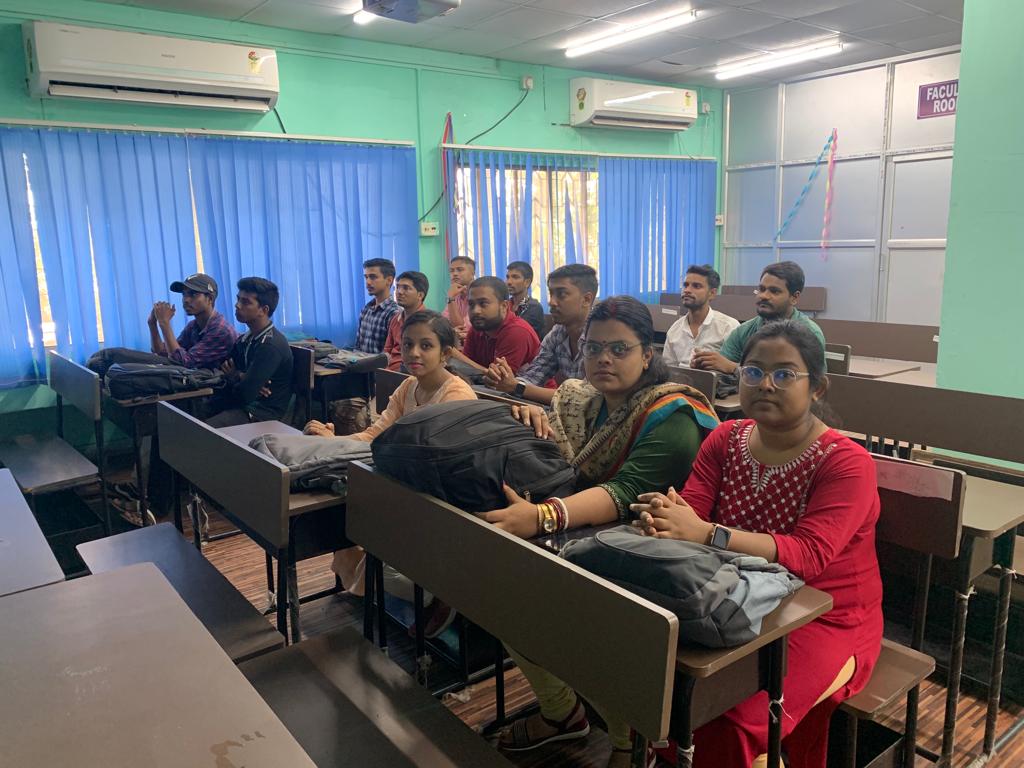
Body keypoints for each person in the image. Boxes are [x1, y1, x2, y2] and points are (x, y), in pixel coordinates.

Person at [632, 320, 882, 768]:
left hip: (827, 616)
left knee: (730, 720)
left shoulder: (847, 462)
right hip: (733, 597)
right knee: (657, 688)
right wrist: (666, 519)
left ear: (818, 387)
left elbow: (808, 556)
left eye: (785, 374)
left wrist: (707, 533)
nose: (766, 384)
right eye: (753, 372)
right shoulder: (726, 439)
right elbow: (691, 510)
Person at [485, 296, 720, 765]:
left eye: (619, 349)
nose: (603, 359)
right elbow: (558, 464)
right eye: (594, 348)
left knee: (584, 610)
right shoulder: (583, 402)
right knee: (499, 586)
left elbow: (625, 492)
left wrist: (543, 516)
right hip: (588, 539)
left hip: (658, 557)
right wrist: (528, 420)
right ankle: (562, 713)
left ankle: (629, 740)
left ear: (647, 355)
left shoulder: (672, 415)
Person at [304, 311, 476, 635]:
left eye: (426, 346)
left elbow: (435, 465)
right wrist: (335, 441)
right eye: (408, 344)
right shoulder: (410, 386)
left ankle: (436, 598)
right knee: (348, 525)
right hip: (405, 488)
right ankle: (400, 604)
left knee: (376, 551)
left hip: (442, 503)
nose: (413, 353)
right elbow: (375, 435)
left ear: (447, 353)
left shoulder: (456, 396)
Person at [484, 263, 597, 406]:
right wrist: (502, 381)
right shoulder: (558, 333)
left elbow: (589, 398)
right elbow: (534, 376)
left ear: (586, 299)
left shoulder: (602, 336)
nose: (551, 302)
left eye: (561, 294)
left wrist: (516, 387)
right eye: (551, 294)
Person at [693, 261, 825, 374]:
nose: (764, 296)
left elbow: (809, 381)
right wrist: (705, 366)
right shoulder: (744, 331)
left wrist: (734, 368)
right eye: (761, 289)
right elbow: (721, 367)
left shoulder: (809, 333)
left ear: (794, 297)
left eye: (774, 291)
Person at [204, 277, 293, 428]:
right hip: (239, 405)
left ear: (263, 310)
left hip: (261, 413)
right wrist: (241, 377)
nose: (237, 305)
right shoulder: (246, 339)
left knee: (198, 432)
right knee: (179, 417)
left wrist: (236, 376)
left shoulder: (270, 346)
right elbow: (222, 370)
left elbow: (244, 395)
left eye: (245, 302)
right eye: (238, 299)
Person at [450, 276, 540, 375]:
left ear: (504, 306)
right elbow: (467, 370)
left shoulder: (517, 332)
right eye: (471, 304)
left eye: (483, 303)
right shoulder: (478, 328)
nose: (475, 311)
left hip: (526, 388)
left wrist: (455, 354)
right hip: (486, 388)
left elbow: (498, 380)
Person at [148, 272, 237, 370]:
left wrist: (165, 324)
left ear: (210, 299)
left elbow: (183, 363)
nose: (186, 300)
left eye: (193, 294)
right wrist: (152, 324)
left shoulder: (221, 330)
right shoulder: (193, 326)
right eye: (184, 294)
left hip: (219, 384)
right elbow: (163, 353)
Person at [663, 264, 739, 368]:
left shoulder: (729, 327)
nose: (687, 290)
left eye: (696, 286)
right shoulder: (674, 330)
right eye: (686, 285)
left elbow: (741, 370)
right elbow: (668, 370)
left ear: (712, 293)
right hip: (680, 383)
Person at [382, 271, 428, 371]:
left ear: (420, 295)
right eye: (398, 287)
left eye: (406, 288)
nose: (399, 292)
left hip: (411, 372)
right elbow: (387, 351)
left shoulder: (428, 322)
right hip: (390, 372)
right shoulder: (396, 318)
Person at [354, 258, 400, 354]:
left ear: (389, 280)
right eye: (366, 277)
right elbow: (357, 347)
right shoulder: (366, 309)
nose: (368, 282)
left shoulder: (395, 313)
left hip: (379, 368)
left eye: (373, 277)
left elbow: (393, 355)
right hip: (359, 366)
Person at [506, 260, 545, 341]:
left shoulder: (534, 307)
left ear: (527, 282)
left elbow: (515, 333)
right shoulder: (506, 304)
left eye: (515, 277)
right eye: (507, 277)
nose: (509, 282)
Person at [443, 256, 475, 342]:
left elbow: (461, 328)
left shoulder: (479, 294)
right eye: (451, 271)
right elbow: (442, 324)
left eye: (460, 270)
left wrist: (450, 298)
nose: (455, 274)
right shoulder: (456, 294)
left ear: (472, 274)